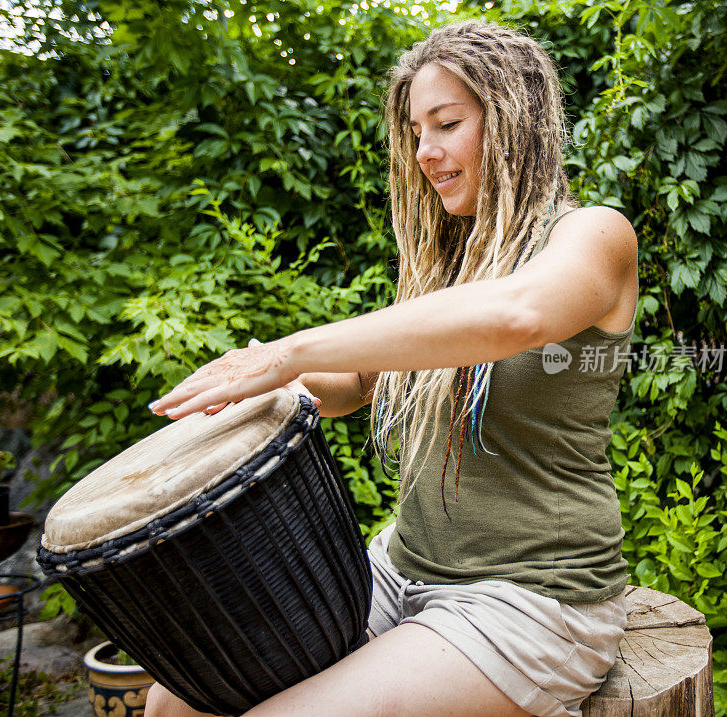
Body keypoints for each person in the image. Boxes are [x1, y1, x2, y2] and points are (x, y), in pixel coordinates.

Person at [144, 20, 638, 717]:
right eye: (415, 130)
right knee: (175, 702)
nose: (424, 152)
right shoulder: (449, 264)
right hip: (401, 568)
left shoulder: (592, 236)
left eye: (446, 123)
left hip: (534, 597)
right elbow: (354, 386)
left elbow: (516, 318)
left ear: (514, 120)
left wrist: (295, 350)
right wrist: (267, 377)